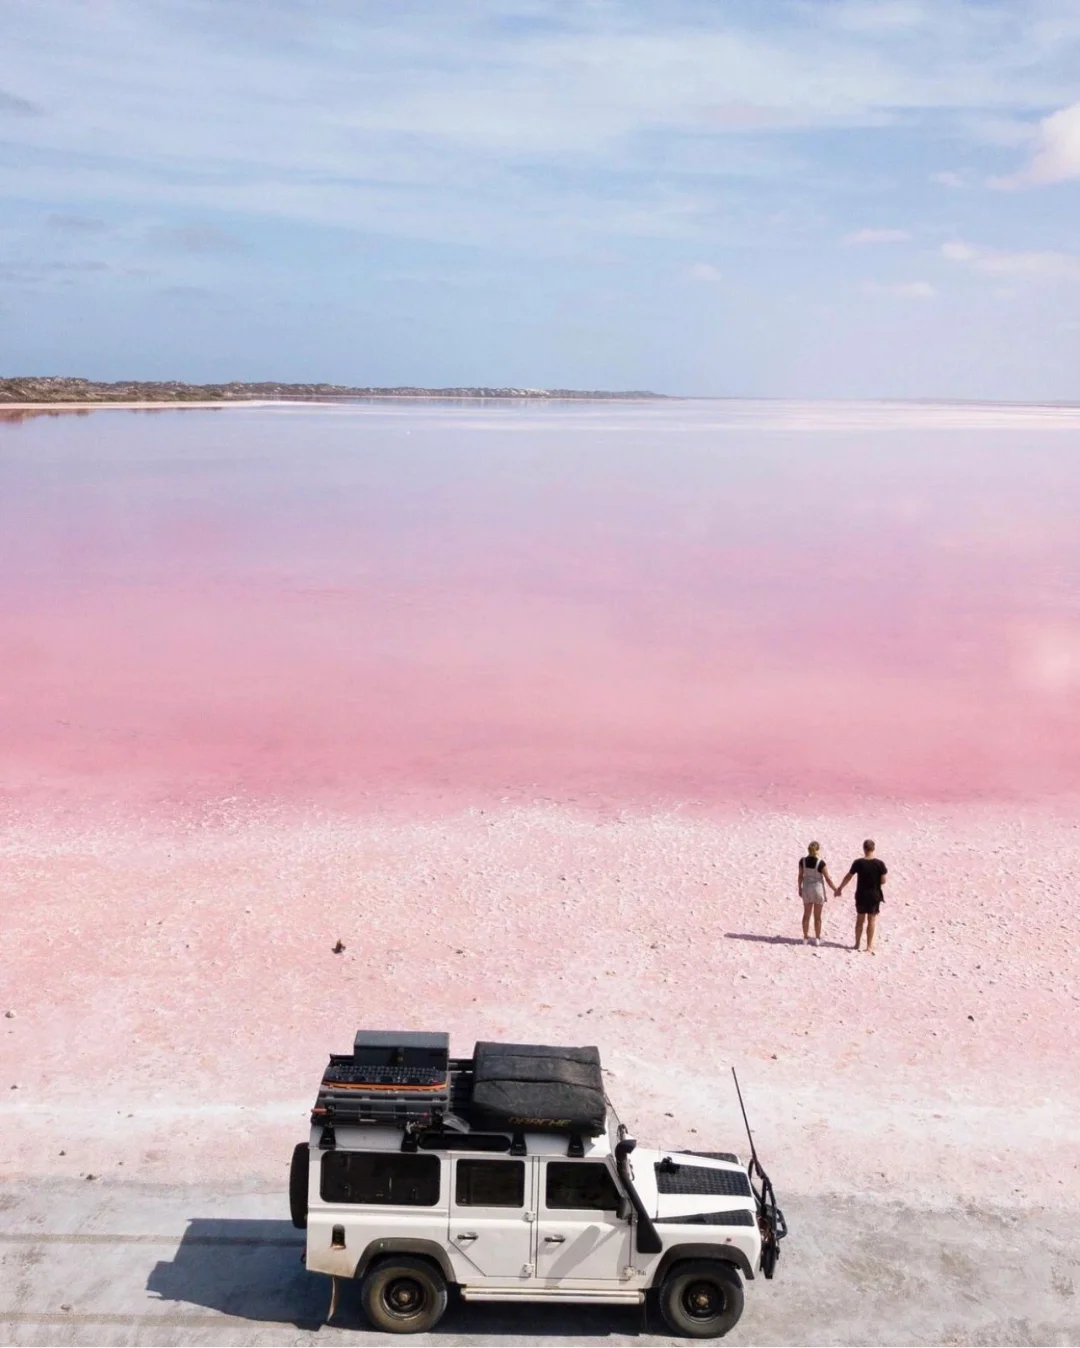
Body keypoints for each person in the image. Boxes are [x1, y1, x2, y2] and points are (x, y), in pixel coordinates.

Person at [836, 839, 888, 953]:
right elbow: (883, 881)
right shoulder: (880, 864)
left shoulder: (858, 863)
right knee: (872, 920)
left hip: (861, 894)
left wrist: (840, 888)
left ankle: (857, 943)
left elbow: (849, 876)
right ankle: (869, 946)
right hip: (874, 894)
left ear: (864, 849)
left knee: (860, 919)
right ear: (873, 849)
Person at [797, 841, 837, 946]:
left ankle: (805, 938)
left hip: (806, 888)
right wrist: (835, 889)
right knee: (817, 916)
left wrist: (799, 888)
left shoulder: (802, 861)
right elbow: (827, 879)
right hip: (818, 889)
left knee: (806, 914)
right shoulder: (821, 863)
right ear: (818, 850)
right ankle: (817, 938)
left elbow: (800, 876)